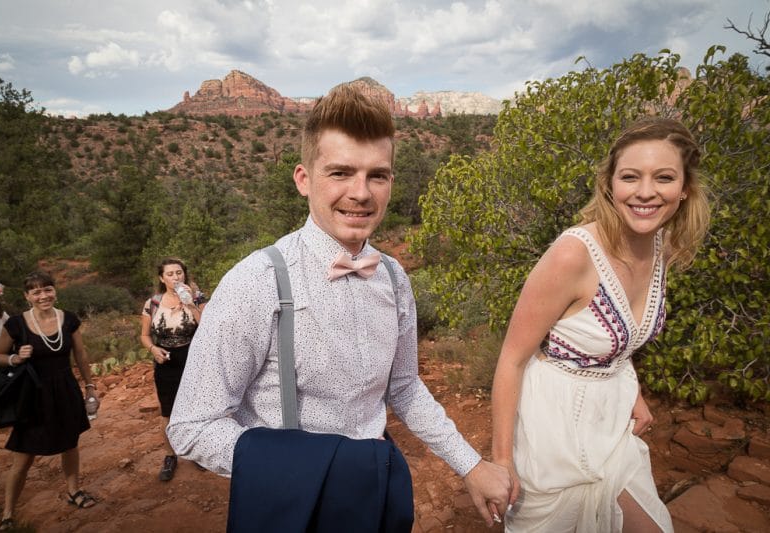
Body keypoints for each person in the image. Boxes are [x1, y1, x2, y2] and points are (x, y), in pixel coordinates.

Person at [167, 83, 512, 530]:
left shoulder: (393, 276)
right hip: (292, 503)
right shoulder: (256, 281)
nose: (361, 193)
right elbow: (191, 426)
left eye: (378, 175)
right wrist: (313, 472)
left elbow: (403, 387)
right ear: (303, 179)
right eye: (340, 173)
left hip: (375, 490)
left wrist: (470, 464)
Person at [491, 117, 710, 532]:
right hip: (551, 429)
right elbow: (512, 360)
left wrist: (633, 389)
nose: (646, 192)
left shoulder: (662, 245)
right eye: (631, 177)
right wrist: (502, 461)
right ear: (610, 185)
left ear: (684, 189)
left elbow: (615, 337)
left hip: (611, 421)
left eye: (663, 178)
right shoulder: (573, 255)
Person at [0, 271, 98, 531]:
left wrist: (91, 387)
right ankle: (8, 513)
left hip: (65, 390)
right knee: (24, 455)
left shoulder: (68, 319)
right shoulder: (16, 324)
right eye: (36, 292)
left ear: (55, 291)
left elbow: (81, 355)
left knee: (70, 443)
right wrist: (15, 358)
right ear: (27, 296)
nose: (43, 296)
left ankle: (73, 491)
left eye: (47, 289)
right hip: (33, 395)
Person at [139, 257, 206, 482]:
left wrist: (190, 304)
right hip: (165, 359)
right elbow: (144, 335)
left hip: (193, 357)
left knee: (195, 407)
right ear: (161, 278)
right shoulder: (153, 303)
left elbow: (209, 326)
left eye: (179, 273)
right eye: (170, 274)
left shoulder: (197, 297)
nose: (176, 277)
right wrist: (153, 349)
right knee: (167, 410)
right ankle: (170, 455)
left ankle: (195, 450)